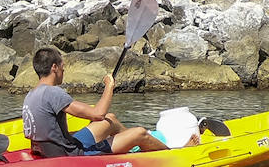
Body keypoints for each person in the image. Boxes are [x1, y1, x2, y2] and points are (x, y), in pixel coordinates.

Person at [22, 46, 168, 158]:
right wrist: (109, 86)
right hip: (71, 155)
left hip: (59, 147)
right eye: (62, 66)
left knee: (110, 119)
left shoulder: (30, 95)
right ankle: (171, 153)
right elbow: (97, 114)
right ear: (54, 67)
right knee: (140, 133)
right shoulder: (52, 92)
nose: (63, 70)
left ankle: (133, 146)